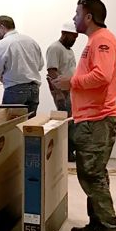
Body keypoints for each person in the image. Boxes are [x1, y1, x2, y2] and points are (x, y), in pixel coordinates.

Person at [51, 0, 116, 231]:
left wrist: (70, 82)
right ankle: (98, 224)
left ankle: (111, 229)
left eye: (77, 13)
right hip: (91, 118)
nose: (74, 18)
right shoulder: (95, 40)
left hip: (97, 119)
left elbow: (102, 76)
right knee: (92, 172)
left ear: (89, 17)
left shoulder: (102, 41)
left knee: (92, 174)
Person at [0, 15, 43, 118]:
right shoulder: (32, 41)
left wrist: (2, 78)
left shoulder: (3, 44)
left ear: (2, 27)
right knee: (30, 124)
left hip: (15, 90)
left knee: (10, 126)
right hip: (34, 90)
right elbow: (40, 65)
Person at [46, 22, 79, 162]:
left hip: (71, 90)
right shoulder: (55, 48)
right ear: (64, 33)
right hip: (62, 92)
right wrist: (59, 92)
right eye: (73, 36)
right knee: (67, 121)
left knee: (72, 120)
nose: (75, 39)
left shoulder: (69, 50)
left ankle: (69, 151)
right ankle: (66, 152)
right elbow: (51, 71)